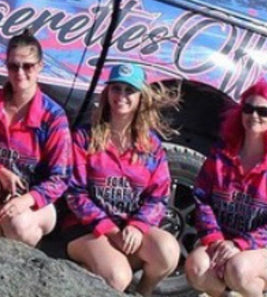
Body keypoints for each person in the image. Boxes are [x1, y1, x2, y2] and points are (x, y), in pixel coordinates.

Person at [62, 63, 181, 296]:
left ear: (141, 97)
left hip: (129, 230)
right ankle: (85, 271)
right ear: (107, 93)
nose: (122, 96)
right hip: (85, 229)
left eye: (130, 90)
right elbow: (75, 193)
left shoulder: (151, 147)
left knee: (167, 251)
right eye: (116, 88)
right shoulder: (85, 137)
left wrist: (137, 226)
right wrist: (110, 230)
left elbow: (158, 197)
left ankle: (142, 293)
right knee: (118, 276)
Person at [185, 79, 267, 297]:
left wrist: (240, 244)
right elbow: (202, 199)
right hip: (223, 241)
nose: (254, 116)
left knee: (238, 269)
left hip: (265, 250)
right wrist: (215, 241)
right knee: (197, 266)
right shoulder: (221, 156)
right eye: (248, 108)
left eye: (263, 111)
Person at [0, 31, 72, 246]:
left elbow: (61, 178)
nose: (20, 72)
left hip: (39, 201)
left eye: (28, 66)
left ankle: (16, 251)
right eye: (14, 66)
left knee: (19, 224)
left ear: (40, 66)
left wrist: (27, 200)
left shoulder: (53, 117)